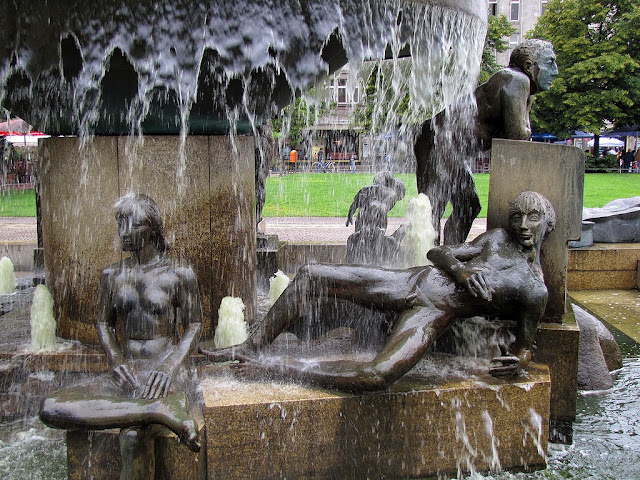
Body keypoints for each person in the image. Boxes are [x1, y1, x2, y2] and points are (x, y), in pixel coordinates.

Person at [202, 192, 556, 393]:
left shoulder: (534, 290)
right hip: (411, 280)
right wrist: (462, 270)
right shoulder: (494, 241)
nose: (524, 225)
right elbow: (437, 253)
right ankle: (252, 345)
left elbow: (525, 346)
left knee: (377, 376)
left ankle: (282, 367)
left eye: (534, 217)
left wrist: (520, 361)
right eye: (518, 217)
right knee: (311, 274)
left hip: (434, 312)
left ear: (548, 223)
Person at [39, 193, 203, 480]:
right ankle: (156, 410)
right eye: (121, 224)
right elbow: (103, 323)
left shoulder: (179, 273)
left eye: (134, 225)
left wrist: (169, 366)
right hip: (126, 373)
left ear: (153, 229)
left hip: (163, 372)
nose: (124, 233)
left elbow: (194, 325)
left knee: (132, 438)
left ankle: (156, 406)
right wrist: (115, 359)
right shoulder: (112, 275)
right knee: (50, 407)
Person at [415, 40, 558, 245]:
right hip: (437, 138)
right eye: (550, 63)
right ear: (528, 66)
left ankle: (451, 251)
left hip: (445, 141)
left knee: (468, 205)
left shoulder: (520, 87)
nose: (556, 71)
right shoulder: (515, 80)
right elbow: (517, 134)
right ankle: (428, 259)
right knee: (433, 207)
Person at [345, 171, 407, 265]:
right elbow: (383, 207)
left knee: (361, 237)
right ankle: (375, 261)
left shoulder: (367, 188)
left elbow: (355, 203)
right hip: (377, 217)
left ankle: (358, 261)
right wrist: (379, 222)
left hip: (363, 215)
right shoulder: (392, 193)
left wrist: (350, 216)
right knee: (376, 238)